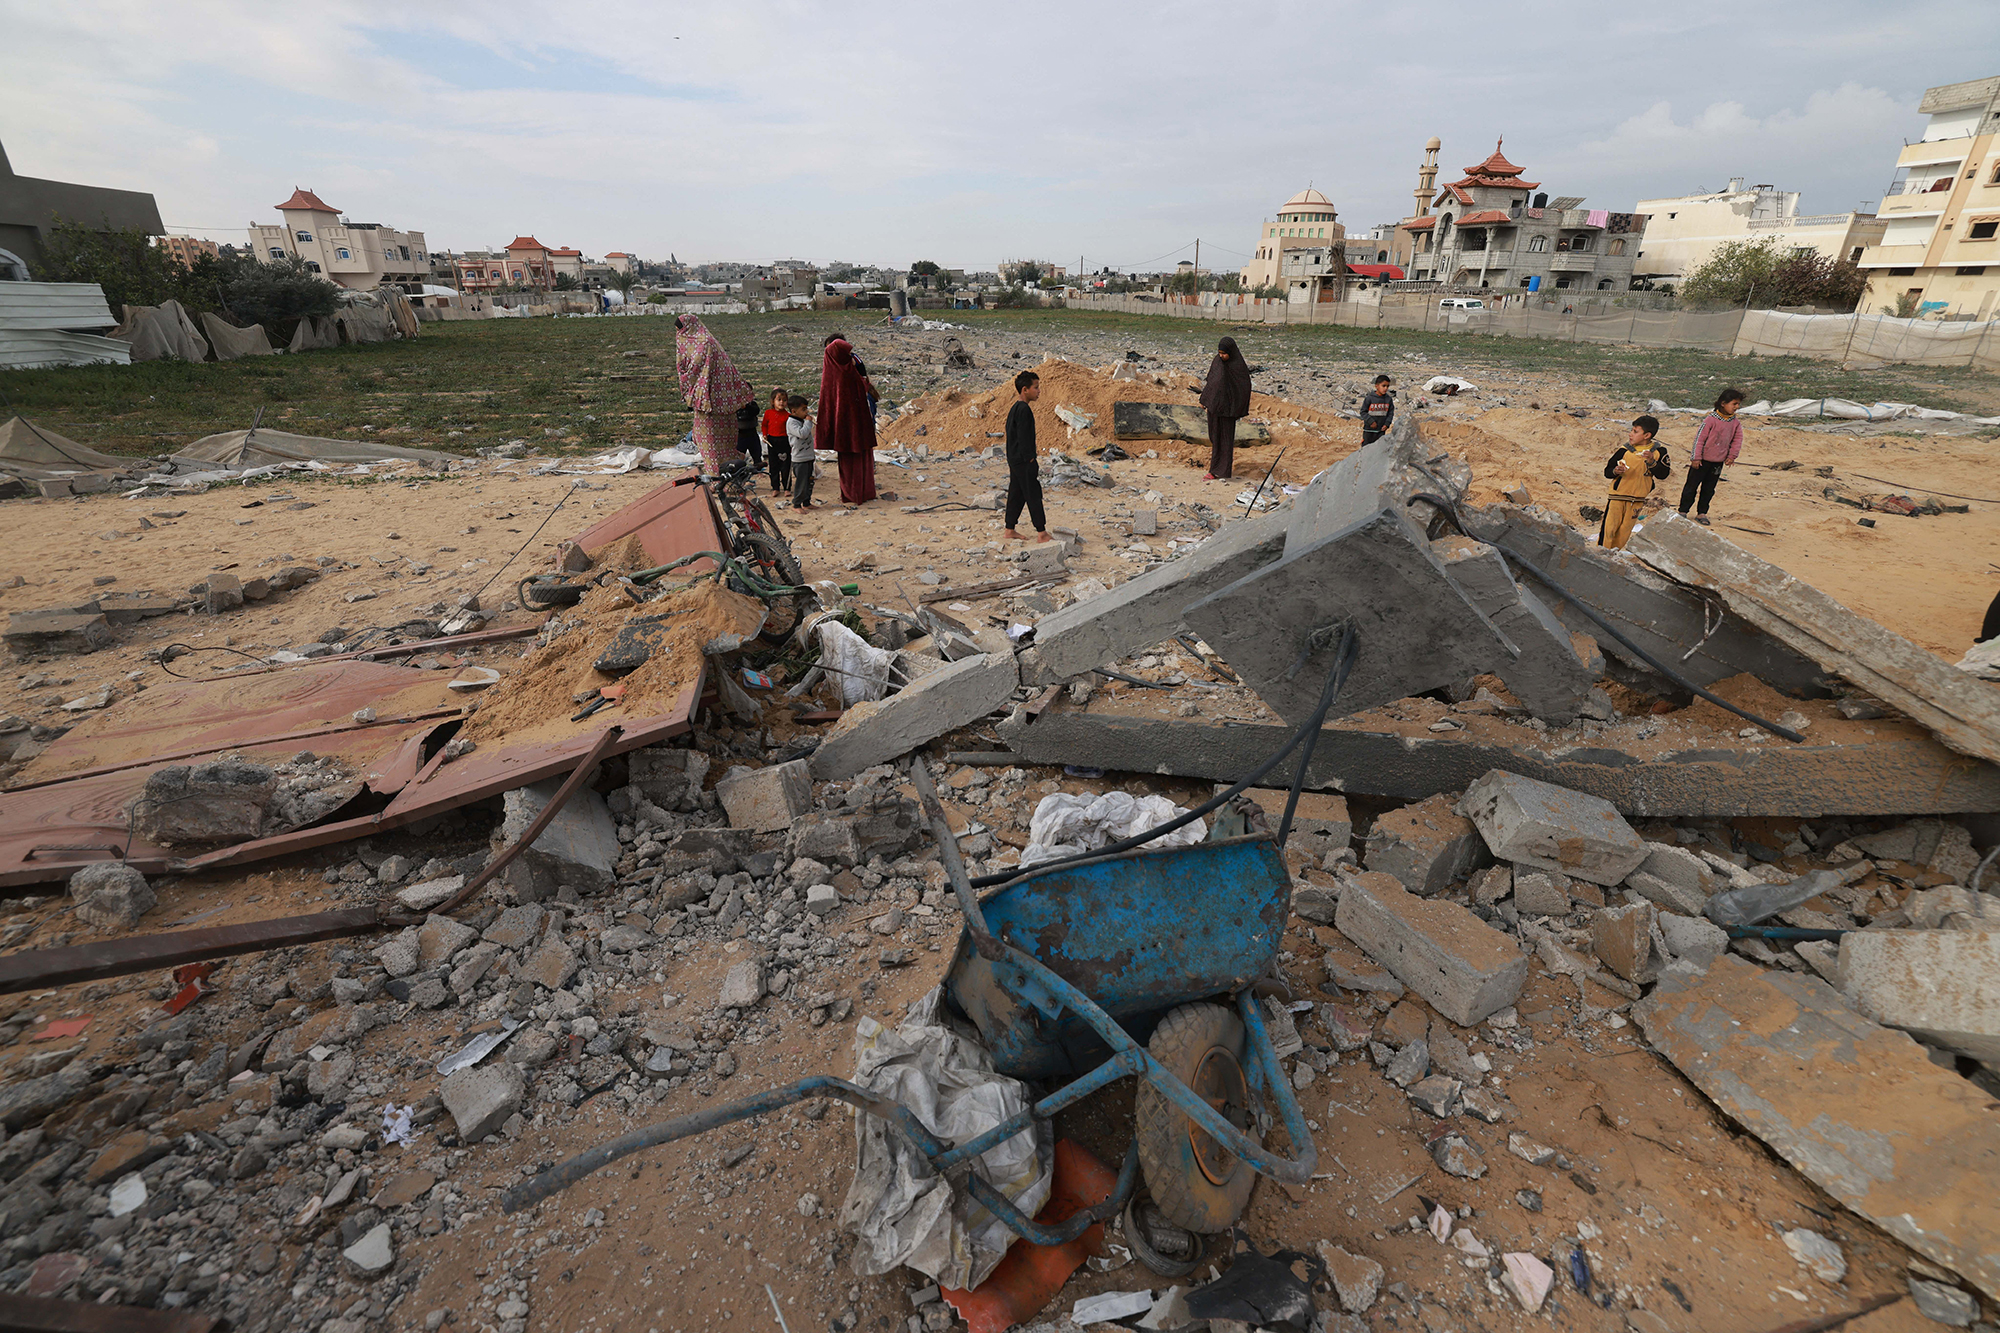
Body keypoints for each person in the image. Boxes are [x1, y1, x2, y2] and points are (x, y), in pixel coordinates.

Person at [673, 314, 752, 474]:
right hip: (723, 401)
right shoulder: (707, 340)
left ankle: (719, 479)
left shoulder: (703, 343)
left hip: (709, 403)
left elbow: (695, 369)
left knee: (711, 445)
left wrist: (689, 387)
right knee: (723, 443)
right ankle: (730, 475)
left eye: (680, 330)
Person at [817, 336, 877, 504]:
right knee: (861, 459)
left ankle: (853, 494)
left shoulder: (832, 374)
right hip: (859, 425)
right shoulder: (849, 374)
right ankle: (863, 492)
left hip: (845, 428)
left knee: (850, 463)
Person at [1599, 414, 1671, 550]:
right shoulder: (1624, 451)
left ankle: (1614, 553)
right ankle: (1601, 552)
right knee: (1609, 529)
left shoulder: (1658, 452)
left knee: (1624, 532)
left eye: (1635, 431)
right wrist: (1616, 471)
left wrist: (1652, 462)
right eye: (1632, 430)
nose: (1630, 434)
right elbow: (1607, 471)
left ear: (1647, 435)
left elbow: (1663, 474)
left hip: (1638, 500)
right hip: (1617, 497)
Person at [1677, 388, 1745, 525]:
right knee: (1691, 486)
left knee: (1709, 489)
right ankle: (1683, 511)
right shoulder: (1710, 420)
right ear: (1723, 403)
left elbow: (1737, 440)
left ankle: (1702, 513)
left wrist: (1732, 456)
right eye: (1734, 404)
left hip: (1717, 462)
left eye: (1738, 404)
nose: (1737, 407)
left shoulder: (1735, 423)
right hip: (1701, 461)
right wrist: (1695, 457)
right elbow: (1699, 439)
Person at [1003, 370, 1049, 542]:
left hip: (1015, 459)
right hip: (1023, 461)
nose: (1039, 391)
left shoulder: (1015, 408)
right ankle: (1042, 533)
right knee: (1033, 494)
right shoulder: (1024, 410)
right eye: (1036, 388)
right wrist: (1030, 459)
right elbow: (1023, 437)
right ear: (1025, 390)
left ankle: (1009, 529)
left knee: (1017, 493)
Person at [1199, 336, 1252, 480]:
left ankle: (1219, 471)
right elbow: (1211, 382)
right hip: (1215, 407)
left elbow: (1243, 387)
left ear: (1231, 352)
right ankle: (1215, 469)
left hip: (1228, 410)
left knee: (1225, 440)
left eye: (1224, 353)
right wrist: (1205, 399)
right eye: (1219, 352)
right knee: (1215, 437)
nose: (1221, 356)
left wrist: (1236, 407)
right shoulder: (1217, 362)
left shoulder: (1238, 367)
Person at [786, 394, 817, 509]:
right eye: (803, 409)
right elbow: (802, 434)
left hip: (808, 456)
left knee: (809, 481)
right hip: (799, 459)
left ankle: (807, 502)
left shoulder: (801, 420)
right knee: (801, 482)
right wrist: (808, 422)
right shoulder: (791, 422)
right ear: (794, 411)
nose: (806, 412)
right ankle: (797, 504)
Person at [761, 388, 792, 494]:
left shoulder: (788, 416)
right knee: (773, 466)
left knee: (786, 466)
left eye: (784, 400)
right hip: (772, 441)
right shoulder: (768, 413)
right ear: (773, 401)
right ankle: (775, 488)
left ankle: (787, 488)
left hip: (785, 441)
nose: (781, 402)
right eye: (779, 399)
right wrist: (765, 435)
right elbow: (764, 425)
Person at [1360, 374, 1395, 443]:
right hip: (1369, 431)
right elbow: (1363, 412)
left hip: (1381, 431)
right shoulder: (1369, 399)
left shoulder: (1388, 400)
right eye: (1383, 386)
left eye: (1387, 386)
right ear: (1376, 386)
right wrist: (1371, 421)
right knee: (1367, 449)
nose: (1386, 388)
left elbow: (1390, 413)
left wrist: (1387, 424)